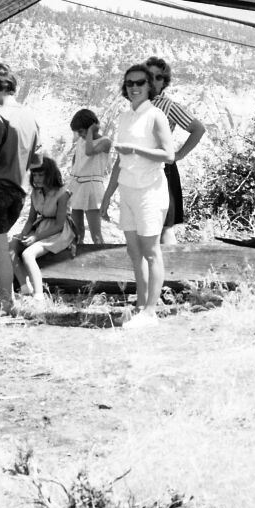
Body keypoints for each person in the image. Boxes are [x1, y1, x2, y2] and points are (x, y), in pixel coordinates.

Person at [100, 64, 175, 328]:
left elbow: (169, 154)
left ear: (149, 86)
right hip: (128, 190)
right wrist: (108, 195)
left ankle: (151, 312)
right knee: (134, 252)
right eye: (130, 83)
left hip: (150, 191)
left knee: (151, 251)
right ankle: (141, 305)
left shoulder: (156, 116)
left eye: (140, 83)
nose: (134, 87)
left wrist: (135, 150)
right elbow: (121, 160)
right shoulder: (124, 117)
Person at [0, 62, 43, 315]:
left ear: (1, 87)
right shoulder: (30, 117)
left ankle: (7, 302)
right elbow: (37, 160)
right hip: (18, 190)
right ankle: (15, 292)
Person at [144, 56, 206, 245]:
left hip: (163, 171)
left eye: (158, 77)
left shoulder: (168, 106)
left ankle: (172, 272)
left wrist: (179, 155)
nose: (153, 81)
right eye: (149, 76)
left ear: (164, 82)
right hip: (142, 172)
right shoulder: (140, 105)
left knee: (165, 228)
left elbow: (198, 129)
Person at [10, 155, 75, 304]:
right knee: (12, 246)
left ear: (50, 175)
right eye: (34, 175)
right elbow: (31, 219)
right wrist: (23, 234)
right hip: (41, 226)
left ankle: (39, 297)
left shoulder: (62, 193)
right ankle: (25, 287)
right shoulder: (36, 193)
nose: (37, 178)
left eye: (41, 174)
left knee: (28, 254)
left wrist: (36, 238)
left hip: (58, 231)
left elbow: (59, 224)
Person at [67, 109, 113, 246]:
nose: (80, 135)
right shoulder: (81, 141)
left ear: (91, 127)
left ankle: (102, 262)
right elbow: (76, 161)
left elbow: (89, 152)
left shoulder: (105, 141)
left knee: (96, 235)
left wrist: (91, 132)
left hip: (92, 187)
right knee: (77, 232)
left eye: (82, 131)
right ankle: (79, 262)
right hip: (77, 186)